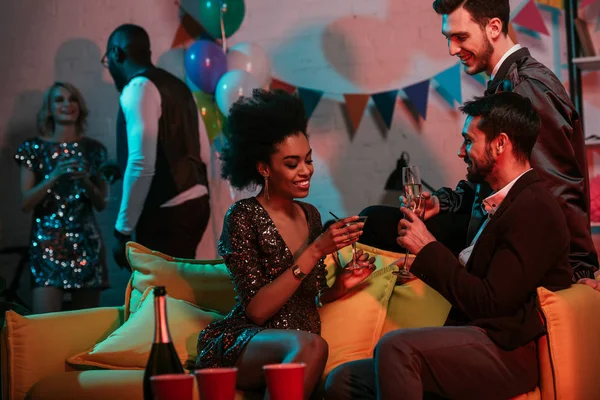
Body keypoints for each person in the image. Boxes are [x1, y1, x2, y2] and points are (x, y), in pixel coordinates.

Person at [325, 92, 573, 400]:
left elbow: (491, 303)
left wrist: (428, 247)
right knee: (342, 380)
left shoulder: (534, 208)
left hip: (507, 351)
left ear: (499, 145)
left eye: (469, 141)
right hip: (473, 338)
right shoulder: (496, 201)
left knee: (396, 347)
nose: (461, 151)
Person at [360, 0, 598, 282]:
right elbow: (491, 180)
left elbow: (558, 187)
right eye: (449, 38)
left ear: (494, 27)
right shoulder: (503, 84)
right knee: (374, 222)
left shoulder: (527, 87)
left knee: (373, 224)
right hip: (489, 227)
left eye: (461, 37)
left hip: (512, 239)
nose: (452, 50)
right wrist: (443, 202)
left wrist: (578, 268)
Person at [195, 89, 376, 399]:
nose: (305, 171)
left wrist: (340, 286)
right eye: (292, 163)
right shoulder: (243, 216)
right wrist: (316, 249)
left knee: (307, 344)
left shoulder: (311, 215)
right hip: (246, 341)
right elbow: (258, 311)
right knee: (311, 345)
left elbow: (307, 301)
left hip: (298, 342)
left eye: (308, 160)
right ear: (264, 168)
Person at [103, 24, 210, 266]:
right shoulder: (180, 86)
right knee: (182, 291)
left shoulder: (138, 88)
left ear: (117, 54)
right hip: (196, 204)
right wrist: (121, 167)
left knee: (160, 295)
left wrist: (122, 230)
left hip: (167, 213)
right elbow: (200, 150)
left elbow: (142, 163)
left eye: (107, 59)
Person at [15, 82, 109, 314]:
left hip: (86, 244)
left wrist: (85, 180)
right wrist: (54, 176)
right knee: (45, 324)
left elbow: (101, 203)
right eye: (59, 100)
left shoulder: (94, 150)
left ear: (80, 106)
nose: (67, 104)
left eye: (72, 99)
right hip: (47, 244)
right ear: (49, 108)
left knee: (86, 327)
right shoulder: (33, 148)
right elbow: (26, 203)